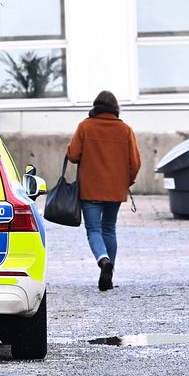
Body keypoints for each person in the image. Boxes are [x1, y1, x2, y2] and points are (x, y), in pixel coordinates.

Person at [66, 90, 141, 292]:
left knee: (93, 229)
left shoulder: (85, 126)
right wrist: (127, 181)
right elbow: (135, 162)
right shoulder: (125, 130)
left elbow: (73, 155)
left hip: (90, 188)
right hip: (115, 189)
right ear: (116, 108)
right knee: (109, 228)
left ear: (95, 106)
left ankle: (103, 260)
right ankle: (109, 272)